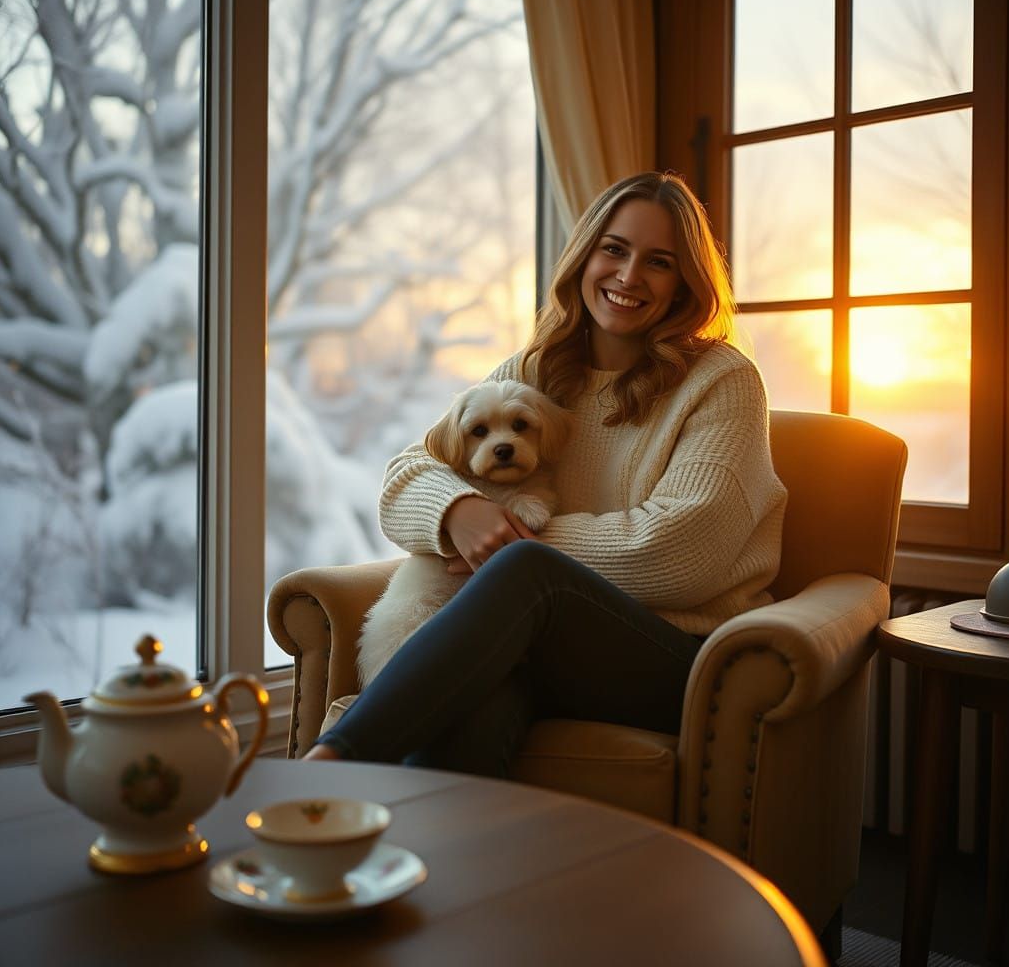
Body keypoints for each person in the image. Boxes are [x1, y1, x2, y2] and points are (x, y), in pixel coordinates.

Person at [305, 170, 786, 775]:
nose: (629, 276)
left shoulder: (722, 381)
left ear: (685, 282)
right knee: (473, 705)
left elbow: (685, 554)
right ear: (584, 255)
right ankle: (433, 862)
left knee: (528, 570)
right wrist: (460, 512)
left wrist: (510, 547)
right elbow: (409, 471)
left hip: (675, 659)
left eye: (659, 262)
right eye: (613, 249)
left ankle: (332, 764)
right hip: (543, 648)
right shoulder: (537, 369)